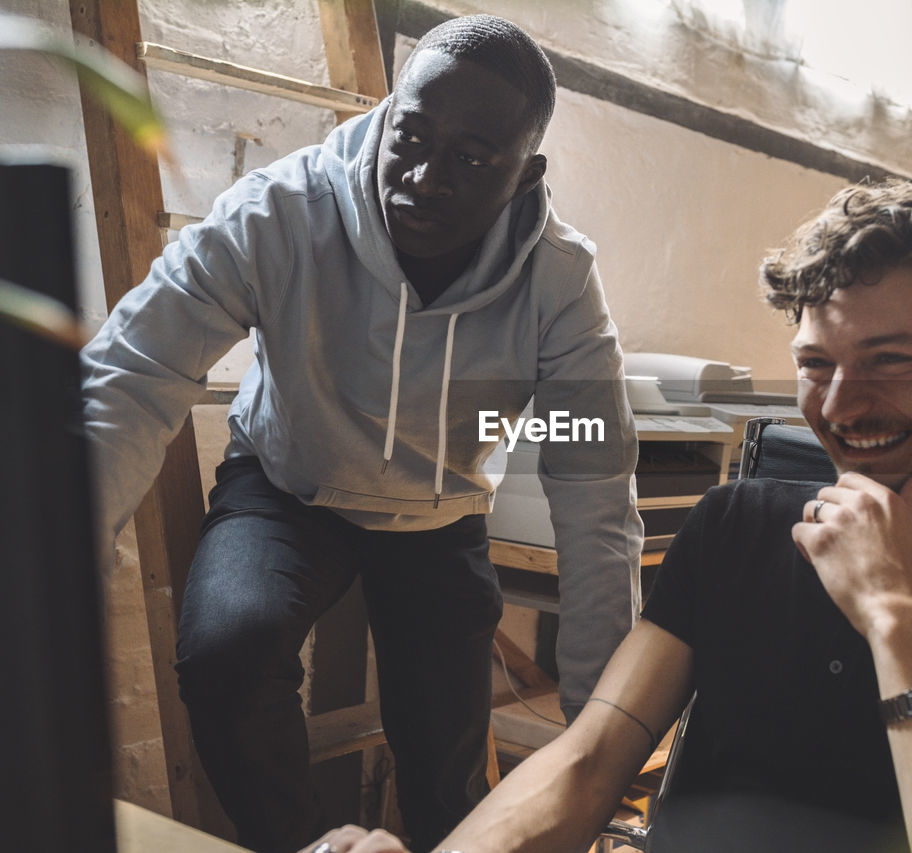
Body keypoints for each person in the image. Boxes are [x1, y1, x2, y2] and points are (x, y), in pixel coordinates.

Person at [298, 182, 912, 853]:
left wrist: (898, 614)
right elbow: (591, 759)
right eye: (816, 363)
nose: (843, 403)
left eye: (892, 361)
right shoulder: (736, 524)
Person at [80, 14, 642, 853]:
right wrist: (45, 575)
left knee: (449, 772)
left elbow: (592, 487)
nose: (420, 175)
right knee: (225, 651)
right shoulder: (280, 214)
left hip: (439, 509)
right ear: (387, 112)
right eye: (408, 134)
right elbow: (133, 372)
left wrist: (604, 733)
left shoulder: (560, 282)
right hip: (285, 487)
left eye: (471, 160)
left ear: (527, 174)